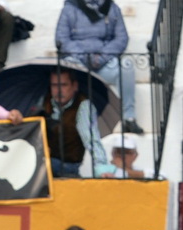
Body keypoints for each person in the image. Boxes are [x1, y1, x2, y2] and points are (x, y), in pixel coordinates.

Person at [55, 0, 142, 134]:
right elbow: (62, 39)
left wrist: (101, 57)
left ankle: (128, 119)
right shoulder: (70, 8)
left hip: (103, 62)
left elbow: (121, 38)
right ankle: (70, 119)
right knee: (69, 69)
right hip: (79, 62)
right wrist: (84, 56)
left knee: (126, 67)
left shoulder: (112, 8)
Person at [33, 67, 113, 178]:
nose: (59, 90)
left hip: (67, 167)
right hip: (42, 163)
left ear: (74, 86)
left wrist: (101, 167)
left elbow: (91, 138)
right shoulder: (42, 102)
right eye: (55, 85)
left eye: (64, 85)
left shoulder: (83, 106)